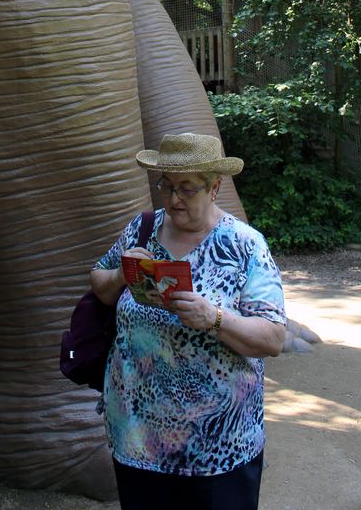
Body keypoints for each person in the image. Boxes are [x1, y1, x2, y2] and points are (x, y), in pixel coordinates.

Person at [91, 131, 286, 510]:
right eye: (166, 186)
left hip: (217, 445)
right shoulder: (142, 228)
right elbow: (99, 282)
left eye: (187, 188)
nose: (173, 199)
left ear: (214, 188)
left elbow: (273, 338)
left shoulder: (244, 245)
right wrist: (122, 276)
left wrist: (214, 318)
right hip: (137, 436)